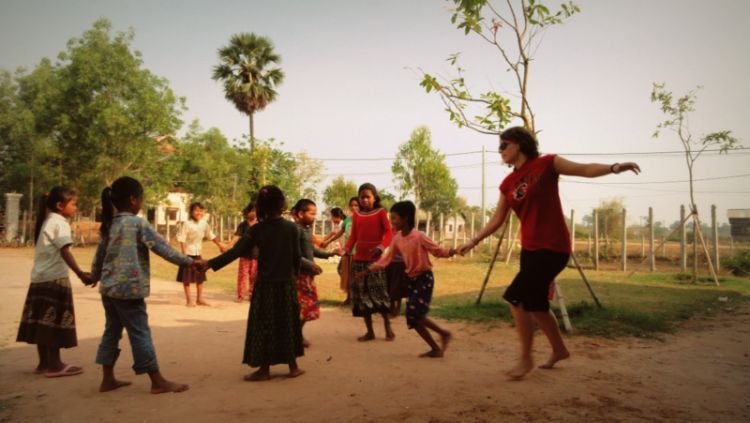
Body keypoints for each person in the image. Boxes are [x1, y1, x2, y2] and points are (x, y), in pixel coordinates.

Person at [455, 126, 641, 380]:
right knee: (537, 305)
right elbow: (498, 219)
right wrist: (474, 240)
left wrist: (615, 167)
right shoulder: (508, 183)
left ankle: (525, 357)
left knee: (516, 298)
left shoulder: (547, 164)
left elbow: (584, 169)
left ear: (519, 144)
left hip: (553, 247)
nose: (500, 151)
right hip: (529, 249)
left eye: (503, 145)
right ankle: (559, 350)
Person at [91, 176, 199, 393]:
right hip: (129, 290)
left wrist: (93, 276)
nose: (141, 202)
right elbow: (162, 248)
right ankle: (157, 381)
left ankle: (107, 379)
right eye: (141, 198)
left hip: (109, 289)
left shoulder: (111, 224)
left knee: (111, 331)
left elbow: (100, 255)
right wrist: (190, 262)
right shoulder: (137, 223)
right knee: (140, 333)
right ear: (133, 199)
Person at [200, 185, 305, 381]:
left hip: (265, 286)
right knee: (287, 325)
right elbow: (297, 257)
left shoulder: (257, 230)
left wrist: (210, 264)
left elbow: (235, 252)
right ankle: (293, 367)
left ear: (260, 207)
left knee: (264, 327)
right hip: (286, 285)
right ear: (282, 204)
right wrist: (295, 277)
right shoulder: (292, 228)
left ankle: (264, 370)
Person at [361, 201, 455, 357]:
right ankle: (436, 347)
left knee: (414, 314)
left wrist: (453, 251)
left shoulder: (419, 236)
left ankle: (443, 334)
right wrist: (369, 269)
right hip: (411, 279)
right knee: (413, 318)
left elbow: (437, 251)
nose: (392, 222)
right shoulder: (397, 238)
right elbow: (387, 259)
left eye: (394, 218)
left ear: (405, 218)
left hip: (424, 278)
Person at [16, 186, 92, 378]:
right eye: (73, 203)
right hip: (55, 278)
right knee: (54, 320)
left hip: (40, 278)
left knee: (44, 320)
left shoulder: (47, 221)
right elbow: (65, 251)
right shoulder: (60, 223)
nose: (76, 207)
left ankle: (43, 363)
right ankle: (55, 364)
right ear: (60, 205)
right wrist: (81, 274)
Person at [344, 183, 394, 341]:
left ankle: (387, 327)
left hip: (376, 262)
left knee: (380, 295)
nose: (364, 200)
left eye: (367, 197)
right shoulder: (357, 215)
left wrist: (381, 246)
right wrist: (346, 250)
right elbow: (353, 237)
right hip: (359, 260)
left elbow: (389, 232)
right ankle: (370, 331)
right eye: (361, 197)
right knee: (362, 297)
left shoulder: (381, 212)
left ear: (374, 197)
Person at [292, 199, 342, 347]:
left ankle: (296, 334)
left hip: (308, 275)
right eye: (312, 213)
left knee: (307, 307)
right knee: (305, 307)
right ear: (301, 214)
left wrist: (329, 254)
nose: (315, 217)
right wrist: (310, 264)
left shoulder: (306, 230)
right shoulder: (295, 230)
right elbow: (294, 255)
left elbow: (311, 250)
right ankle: (296, 335)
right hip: (300, 275)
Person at [176, 202, 225, 307]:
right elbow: (182, 239)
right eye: (196, 210)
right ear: (191, 212)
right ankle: (189, 300)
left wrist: (220, 245)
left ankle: (199, 299)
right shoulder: (187, 224)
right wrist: (184, 255)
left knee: (200, 277)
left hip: (198, 253)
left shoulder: (204, 224)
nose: (199, 213)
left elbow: (210, 235)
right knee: (187, 278)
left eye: (201, 210)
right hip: (187, 254)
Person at [321, 197, 360, 305]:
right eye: (351, 205)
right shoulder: (347, 220)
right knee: (346, 273)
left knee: (355, 275)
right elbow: (339, 233)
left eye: (356, 205)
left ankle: (356, 297)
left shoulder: (362, 218)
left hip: (358, 252)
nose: (353, 207)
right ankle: (349, 297)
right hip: (347, 252)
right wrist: (328, 242)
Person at [229, 201, 258, 302]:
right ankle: (240, 296)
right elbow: (236, 237)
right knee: (242, 276)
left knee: (254, 277)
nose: (254, 213)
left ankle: (251, 295)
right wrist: (228, 246)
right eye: (252, 211)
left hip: (257, 256)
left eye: (256, 211)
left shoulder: (260, 225)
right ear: (247, 212)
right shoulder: (243, 225)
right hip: (244, 255)